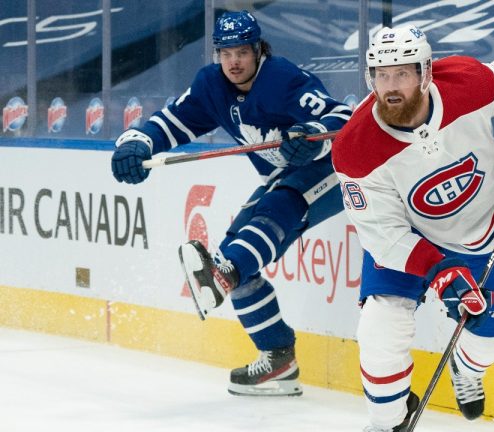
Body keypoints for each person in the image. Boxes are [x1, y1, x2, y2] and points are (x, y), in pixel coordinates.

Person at [110, 10, 351, 397]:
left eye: (242, 51)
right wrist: (136, 143)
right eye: (226, 53)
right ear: (217, 55)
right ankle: (278, 359)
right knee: (237, 258)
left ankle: (223, 275)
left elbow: (344, 118)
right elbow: (173, 121)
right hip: (282, 178)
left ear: (258, 50)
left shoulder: (283, 78)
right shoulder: (211, 85)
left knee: (277, 209)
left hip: (332, 171)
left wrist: (311, 134)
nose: (234, 61)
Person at [331, 25, 494, 431]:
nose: (391, 86)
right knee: (379, 331)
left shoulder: (467, 83)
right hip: (410, 242)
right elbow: (384, 236)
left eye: (402, 73)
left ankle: (467, 369)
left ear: (426, 72)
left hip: (487, 224)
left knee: (493, 341)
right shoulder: (355, 149)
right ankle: (388, 422)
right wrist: (438, 271)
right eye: (381, 75)